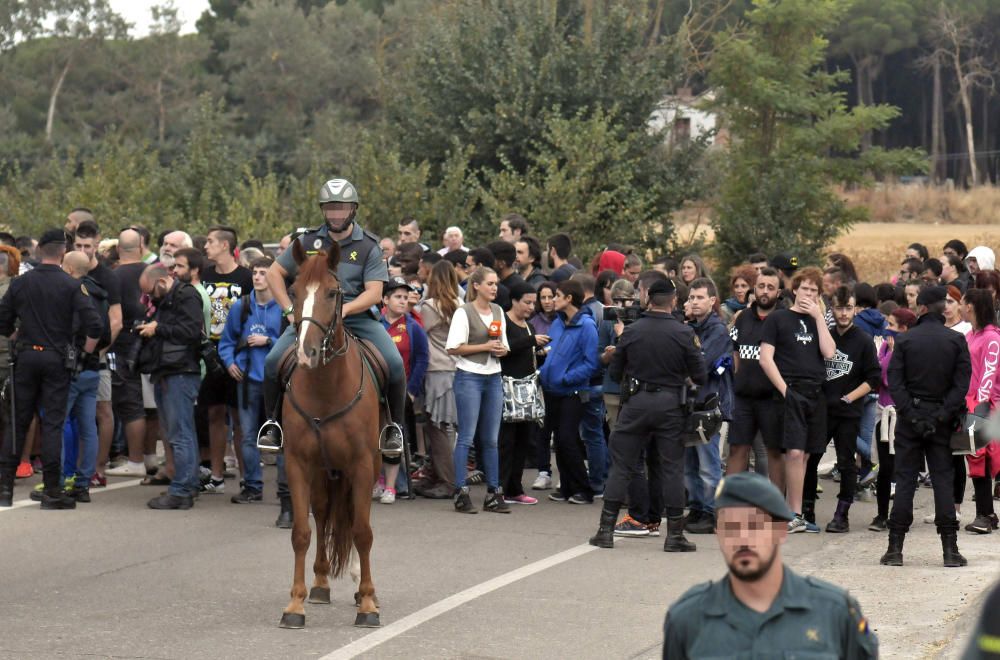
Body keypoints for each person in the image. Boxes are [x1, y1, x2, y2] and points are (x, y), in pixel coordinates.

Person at [259, 178, 405, 459]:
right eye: (330, 208)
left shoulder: (369, 246)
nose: (336, 214)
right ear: (323, 210)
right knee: (272, 362)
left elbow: (375, 293)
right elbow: (274, 273)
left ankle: (393, 428)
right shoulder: (307, 241)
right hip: (312, 318)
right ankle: (273, 424)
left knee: (395, 364)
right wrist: (290, 310)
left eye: (341, 208)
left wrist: (345, 311)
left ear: (353, 209)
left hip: (356, 316)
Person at [662, 472, 877, 659]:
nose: (743, 539)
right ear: (718, 534)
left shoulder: (834, 612)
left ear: (781, 531)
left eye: (755, 526)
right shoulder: (688, 619)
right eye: (731, 528)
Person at [589, 277, 707, 551]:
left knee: (623, 465)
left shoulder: (631, 331)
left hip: (636, 403)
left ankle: (605, 530)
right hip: (670, 405)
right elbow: (699, 374)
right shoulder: (683, 332)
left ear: (648, 300)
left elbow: (615, 372)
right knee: (672, 468)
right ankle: (674, 535)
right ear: (674, 301)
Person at [0, 229, 102, 509]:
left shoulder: (21, 283)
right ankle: (52, 491)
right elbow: (95, 324)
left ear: (39, 251)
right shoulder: (71, 285)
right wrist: (84, 353)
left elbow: (2, 317)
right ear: (62, 253)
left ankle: (5, 489)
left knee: (16, 422)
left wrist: (15, 335)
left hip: (26, 357)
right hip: (57, 358)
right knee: (53, 423)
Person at [882, 285, 972, 567]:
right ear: (942, 308)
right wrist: (941, 414)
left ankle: (895, 548)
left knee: (906, 479)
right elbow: (961, 384)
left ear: (920, 307)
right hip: (942, 420)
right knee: (943, 480)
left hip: (911, 419)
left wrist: (912, 413)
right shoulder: (956, 341)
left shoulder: (906, 341)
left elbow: (894, 381)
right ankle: (950, 550)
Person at [759, 267, 836, 533]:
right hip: (790, 389)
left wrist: (818, 318)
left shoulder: (818, 320)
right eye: (805, 289)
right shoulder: (778, 319)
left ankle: (797, 513)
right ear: (794, 290)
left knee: (805, 455)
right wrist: (784, 390)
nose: (809, 294)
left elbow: (829, 352)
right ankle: (790, 511)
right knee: (791, 451)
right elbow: (765, 358)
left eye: (814, 291)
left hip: (816, 391)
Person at [138, 264, 205, 510]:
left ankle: (182, 490)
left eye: (151, 292)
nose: (149, 298)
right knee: (179, 433)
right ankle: (188, 484)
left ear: (163, 281)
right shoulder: (167, 299)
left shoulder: (186, 295)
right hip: (168, 371)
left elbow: (191, 331)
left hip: (180, 372)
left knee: (180, 434)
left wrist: (158, 327)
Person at [218, 257, 283, 505]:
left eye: (263, 273)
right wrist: (230, 363)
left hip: (277, 382)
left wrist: (269, 341)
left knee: (280, 436)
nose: (257, 277)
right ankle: (252, 486)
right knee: (247, 435)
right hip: (247, 381)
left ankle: (285, 488)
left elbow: (296, 342)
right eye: (254, 272)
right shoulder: (242, 306)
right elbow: (226, 342)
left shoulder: (284, 307)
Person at [446, 267, 511, 514]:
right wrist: (485, 345)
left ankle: (494, 492)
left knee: (491, 439)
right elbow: (453, 347)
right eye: (490, 284)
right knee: (466, 437)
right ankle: (460, 491)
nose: (495, 288)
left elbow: (504, 345)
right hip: (469, 376)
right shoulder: (463, 312)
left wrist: (501, 350)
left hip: (493, 375)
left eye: (496, 284)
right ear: (476, 286)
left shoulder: (498, 311)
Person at [819, 286, 880, 533]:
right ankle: (806, 509)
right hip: (823, 410)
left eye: (848, 308)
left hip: (848, 412)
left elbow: (874, 378)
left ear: (855, 309)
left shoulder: (863, 340)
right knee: (810, 457)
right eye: (839, 308)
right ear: (832, 309)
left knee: (846, 463)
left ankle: (841, 514)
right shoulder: (826, 336)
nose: (843, 314)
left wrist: (849, 398)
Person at [198, 226, 253, 493]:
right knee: (214, 413)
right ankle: (217, 476)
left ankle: (247, 475)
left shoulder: (246, 277)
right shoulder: (204, 276)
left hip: (238, 353)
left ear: (224, 245)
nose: (206, 246)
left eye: (210, 241)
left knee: (239, 416)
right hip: (210, 352)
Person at [55, 251, 112, 503]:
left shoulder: (73, 292)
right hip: (93, 366)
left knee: (58, 421)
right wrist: (92, 353)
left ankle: (58, 479)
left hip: (72, 364)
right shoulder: (100, 292)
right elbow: (106, 332)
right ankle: (83, 481)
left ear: (68, 269)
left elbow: (79, 327)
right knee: (89, 425)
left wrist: (78, 354)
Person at [72, 220, 122, 488]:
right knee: (75, 414)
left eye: (87, 246)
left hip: (99, 354)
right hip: (71, 354)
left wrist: (97, 350)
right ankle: (76, 466)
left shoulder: (107, 277)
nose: (83, 250)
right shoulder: (68, 271)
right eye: (78, 245)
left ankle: (98, 467)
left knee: (102, 409)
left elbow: (117, 321)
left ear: (96, 245)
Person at [684, 277, 733, 534]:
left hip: (707, 404)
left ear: (712, 301)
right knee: (689, 463)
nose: (694, 302)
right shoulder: (689, 327)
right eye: (691, 297)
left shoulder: (717, 330)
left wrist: (685, 366)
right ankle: (697, 507)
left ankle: (713, 512)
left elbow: (700, 366)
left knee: (708, 463)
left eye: (700, 297)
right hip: (688, 403)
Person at [104, 229, 153, 479]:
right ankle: (150, 456)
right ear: (141, 245)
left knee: (130, 404)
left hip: (123, 345)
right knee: (154, 406)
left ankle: (135, 460)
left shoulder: (113, 276)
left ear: (118, 249)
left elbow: (112, 318)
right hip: (154, 343)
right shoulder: (154, 271)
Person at [376, 276, 429, 504]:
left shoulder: (413, 327)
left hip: (400, 392)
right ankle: (377, 482)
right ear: (385, 299)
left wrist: (412, 391)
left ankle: (391, 487)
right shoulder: (374, 325)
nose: (402, 301)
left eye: (406, 298)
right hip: (373, 390)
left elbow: (422, 360)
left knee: (394, 437)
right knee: (372, 438)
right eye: (397, 297)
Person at [413, 261, 463, 500]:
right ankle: (435, 475)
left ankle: (448, 480)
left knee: (437, 427)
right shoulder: (461, 305)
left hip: (435, 369)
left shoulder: (430, 306)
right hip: (455, 367)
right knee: (444, 425)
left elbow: (421, 335)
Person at [727, 267, 783, 481]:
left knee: (775, 453)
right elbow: (734, 350)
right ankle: (731, 508)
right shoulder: (742, 318)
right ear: (754, 289)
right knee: (736, 450)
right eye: (761, 286)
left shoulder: (784, 319)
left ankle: (776, 509)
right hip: (743, 398)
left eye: (770, 287)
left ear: (778, 292)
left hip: (773, 399)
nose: (765, 291)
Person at [869, 308, 918, 532]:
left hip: (900, 415)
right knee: (885, 467)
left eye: (891, 324)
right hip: (883, 412)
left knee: (902, 467)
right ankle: (881, 514)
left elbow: (891, 379)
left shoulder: (907, 350)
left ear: (904, 329)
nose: (886, 328)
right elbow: (877, 377)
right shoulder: (887, 347)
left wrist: (890, 354)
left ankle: (900, 513)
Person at [499, 282, 546, 505]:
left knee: (522, 441)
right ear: (514, 300)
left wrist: (541, 351)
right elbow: (503, 350)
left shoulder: (529, 326)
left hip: (527, 392)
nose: (531, 307)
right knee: (505, 441)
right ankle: (500, 487)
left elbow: (527, 352)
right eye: (527, 302)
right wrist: (530, 342)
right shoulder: (503, 322)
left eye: (532, 303)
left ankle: (515, 489)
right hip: (506, 390)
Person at [961, 289, 1000, 534]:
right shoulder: (969, 335)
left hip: (986, 404)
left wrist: (979, 407)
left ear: (972, 306)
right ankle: (985, 514)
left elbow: (989, 372)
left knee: (985, 459)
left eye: (963, 303)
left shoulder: (992, 338)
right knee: (974, 458)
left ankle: (985, 515)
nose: (959, 307)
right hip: (970, 403)